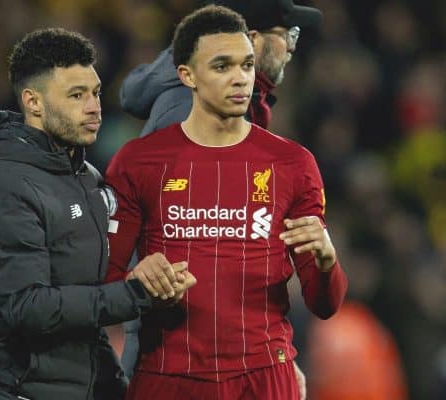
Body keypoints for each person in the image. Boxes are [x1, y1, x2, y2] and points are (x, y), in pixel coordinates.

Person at [105, 5, 347, 399]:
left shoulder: (280, 148)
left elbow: (248, 262)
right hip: (175, 359)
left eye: (246, 65)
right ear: (251, 35)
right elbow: (162, 251)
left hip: (252, 367)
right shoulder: (175, 124)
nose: (290, 48)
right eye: (287, 34)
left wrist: (277, 355)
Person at [0, 27, 195, 400]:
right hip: (6, 390)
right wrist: (135, 294)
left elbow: (86, 317)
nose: (94, 106)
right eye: (76, 95)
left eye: (94, 92)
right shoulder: (1, 181)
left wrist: (118, 389)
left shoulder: (86, 178)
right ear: (34, 102)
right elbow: (28, 308)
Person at [119, 0, 322, 134]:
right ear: (252, 40)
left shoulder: (221, 98)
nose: (292, 47)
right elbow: (187, 197)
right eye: (288, 35)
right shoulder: (193, 108)